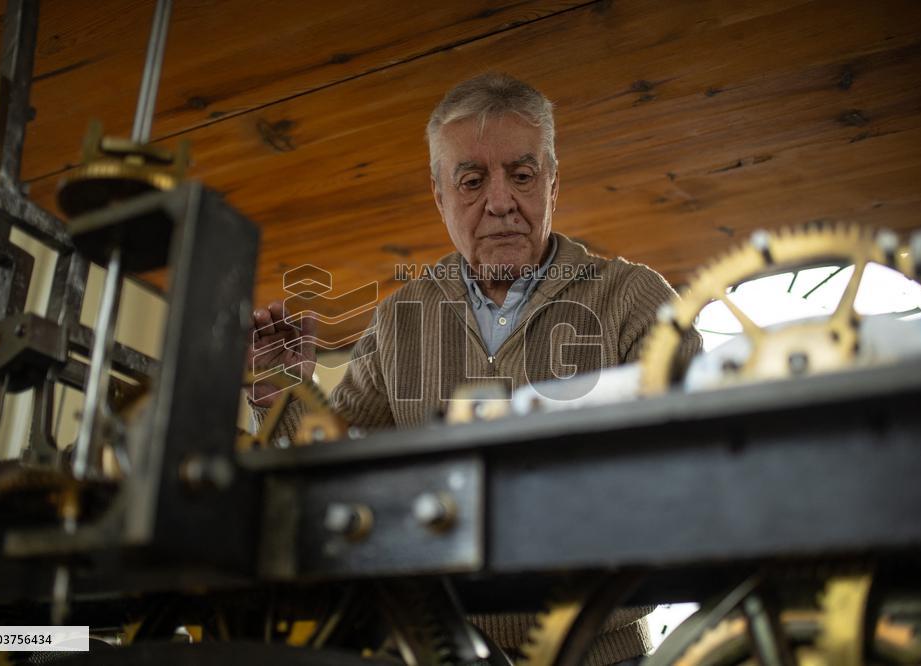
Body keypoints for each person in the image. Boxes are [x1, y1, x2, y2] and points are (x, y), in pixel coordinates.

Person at [250, 73, 701, 664]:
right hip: (445, 651)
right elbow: (330, 478)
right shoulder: (399, 320)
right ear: (440, 197)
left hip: (607, 653)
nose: (499, 201)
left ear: (552, 185)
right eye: (471, 180)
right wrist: (282, 393)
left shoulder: (637, 298)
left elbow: (697, 467)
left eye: (521, 175)